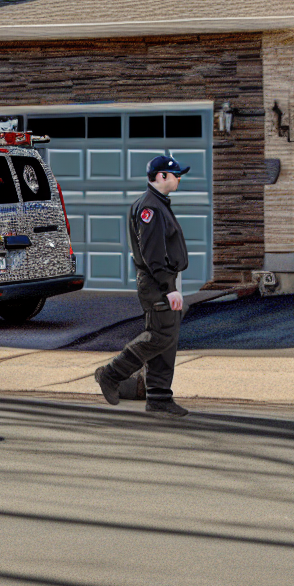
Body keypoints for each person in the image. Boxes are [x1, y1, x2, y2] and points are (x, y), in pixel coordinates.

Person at [95, 154, 193, 417]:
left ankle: (160, 397)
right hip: (156, 282)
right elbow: (152, 254)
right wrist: (168, 287)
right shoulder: (150, 208)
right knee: (159, 335)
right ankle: (111, 374)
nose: (179, 178)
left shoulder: (158, 203)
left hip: (163, 279)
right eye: (176, 174)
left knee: (167, 338)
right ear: (161, 176)